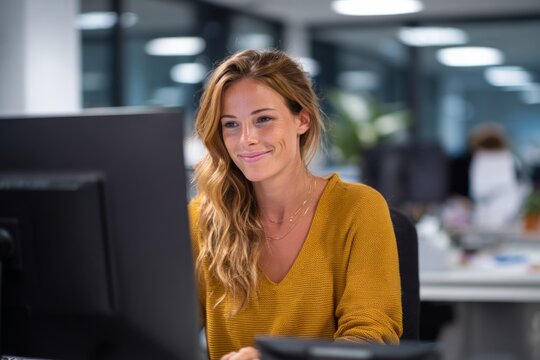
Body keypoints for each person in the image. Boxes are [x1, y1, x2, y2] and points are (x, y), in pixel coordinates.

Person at [188, 49, 402, 360]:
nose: (246, 138)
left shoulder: (359, 209)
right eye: (231, 124)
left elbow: (371, 336)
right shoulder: (203, 218)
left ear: (302, 120)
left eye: (263, 119)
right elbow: (166, 333)